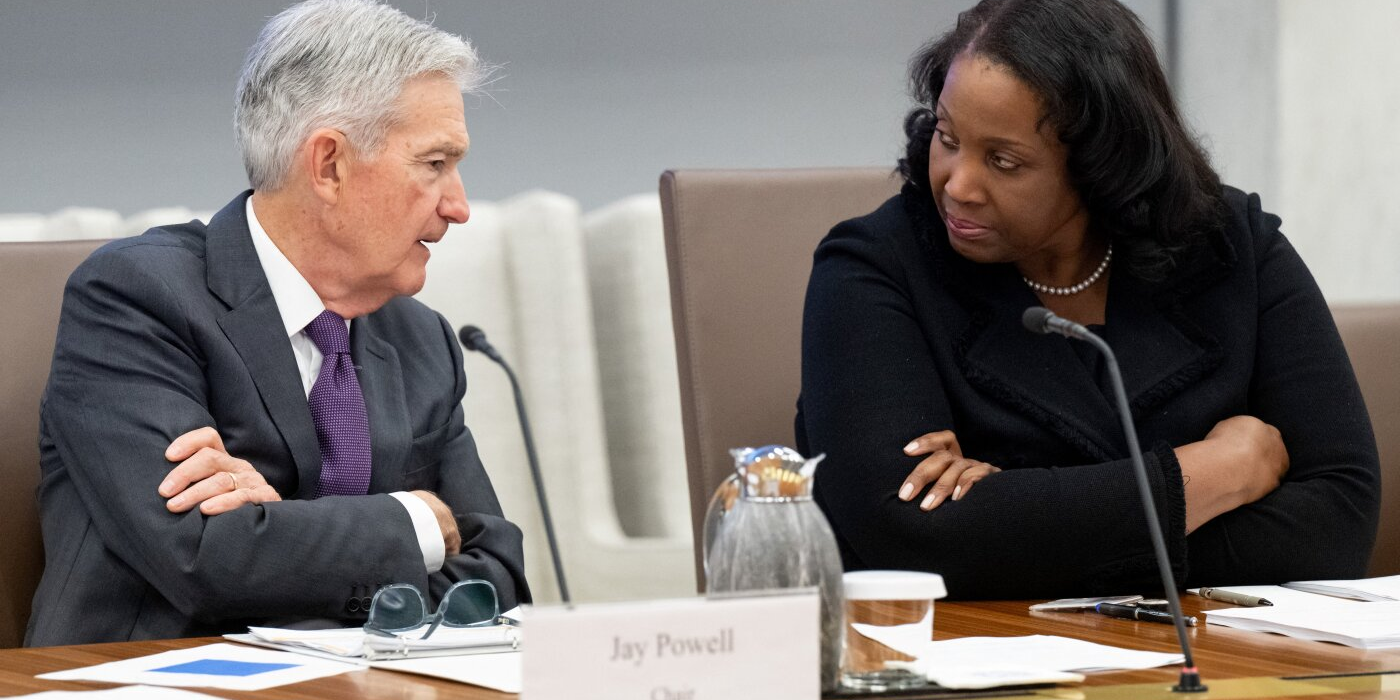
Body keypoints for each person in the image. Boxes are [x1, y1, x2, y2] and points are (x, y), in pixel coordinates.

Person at [795, 0, 1380, 599]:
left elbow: (1340, 522)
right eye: (947, 138)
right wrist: (1215, 474)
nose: (958, 184)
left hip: (1216, 648)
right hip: (971, 651)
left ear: (1101, 165)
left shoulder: (1231, 245)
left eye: (1003, 161)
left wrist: (1016, 521)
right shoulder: (874, 266)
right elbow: (905, 538)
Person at [27, 0, 529, 645]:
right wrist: (420, 520)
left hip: (353, 681)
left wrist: (278, 532)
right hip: (146, 677)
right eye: (434, 164)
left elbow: (495, 576)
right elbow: (203, 559)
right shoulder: (137, 298)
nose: (458, 206)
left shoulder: (421, 340)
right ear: (329, 165)